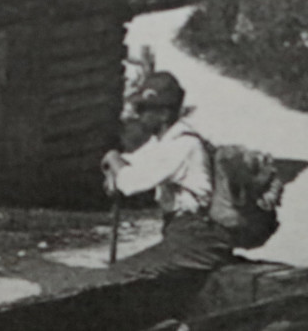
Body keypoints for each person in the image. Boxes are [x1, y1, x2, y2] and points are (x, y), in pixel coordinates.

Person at [100, 71, 234, 278]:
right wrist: (115, 167)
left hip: (197, 239)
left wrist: (112, 159)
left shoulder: (182, 145)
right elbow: (133, 163)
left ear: (163, 114)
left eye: (143, 109)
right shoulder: (163, 142)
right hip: (182, 235)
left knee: (120, 273)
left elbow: (130, 182)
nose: (137, 115)